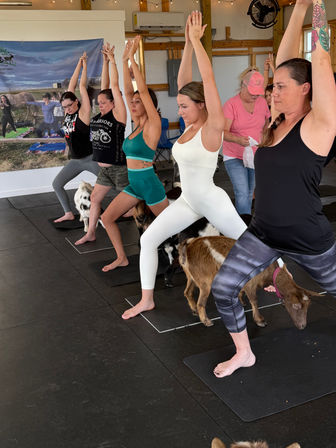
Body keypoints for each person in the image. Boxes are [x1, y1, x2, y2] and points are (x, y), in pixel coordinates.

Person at [211, 0, 336, 378]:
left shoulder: (319, 124)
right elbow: (285, 58)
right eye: (271, 86)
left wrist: (317, 8)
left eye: (281, 87)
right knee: (223, 288)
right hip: (263, 234)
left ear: (306, 90)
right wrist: (297, 7)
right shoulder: (276, 121)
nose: (273, 92)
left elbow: (323, 58)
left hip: (308, 237)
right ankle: (244, 353)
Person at [121, 11, 248, 320]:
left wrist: (197, 41)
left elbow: (206, 81)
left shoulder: (212, 126)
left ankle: (280, 280)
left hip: (211, 198)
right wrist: (186, 44)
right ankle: (146, 299)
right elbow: (185, 79)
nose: (179, 111)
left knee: (250, 243)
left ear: (201, 105)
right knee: (149, 239)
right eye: (179, 105)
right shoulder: (190, 127)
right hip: (189, 200)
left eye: (184, 106)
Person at [99, 36, 169, 271]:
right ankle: (121, 257)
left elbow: (143, 95)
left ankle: (194, 255)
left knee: (172, 226)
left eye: (138, 101)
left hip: (149, 185)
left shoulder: (153, 125)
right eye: (133, 101)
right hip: (134, 185)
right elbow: (127, 92)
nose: (133, 103)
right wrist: (120, 59)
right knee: (107, 218)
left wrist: (133, 62)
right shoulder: (135, 126)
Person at [75, 43, 129, 245]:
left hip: (119, 168)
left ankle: (151, 227)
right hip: (104, 171)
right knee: (95, 199)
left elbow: (113, 87)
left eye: (104, 102)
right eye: (99, 102)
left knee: (131, 209)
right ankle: (91, 232)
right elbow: (106, 86)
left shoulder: (118, 116)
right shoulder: (100, 115)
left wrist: (114, 60)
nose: (100, 104)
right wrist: (105, 62)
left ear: (114, 102)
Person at [52, 52, 100, 223]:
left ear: (77, 102)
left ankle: (130, 206)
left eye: (69, 106)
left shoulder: (83, 113)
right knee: (57, 184)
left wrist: (85, 66)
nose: (67, 109)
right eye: (64, 107)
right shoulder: (68, 113)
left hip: (90, 158)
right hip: (75, 161)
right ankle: (69, 213)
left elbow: (80, 87)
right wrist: (78, 64)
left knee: (114, 184)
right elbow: (70, 87)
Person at [222, 68, 271, 216]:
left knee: (250, 192)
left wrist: (266, 139)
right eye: (252, 93)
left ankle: (245, 221)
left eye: (258, 93)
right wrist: (237, 139)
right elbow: (222, 132)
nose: (255, 96)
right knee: (242, 192)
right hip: (234, 155)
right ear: (243, 86)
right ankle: (243, 230)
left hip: (256, 154)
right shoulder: (231, 105)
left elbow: (267, 124)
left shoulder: (262, 102)